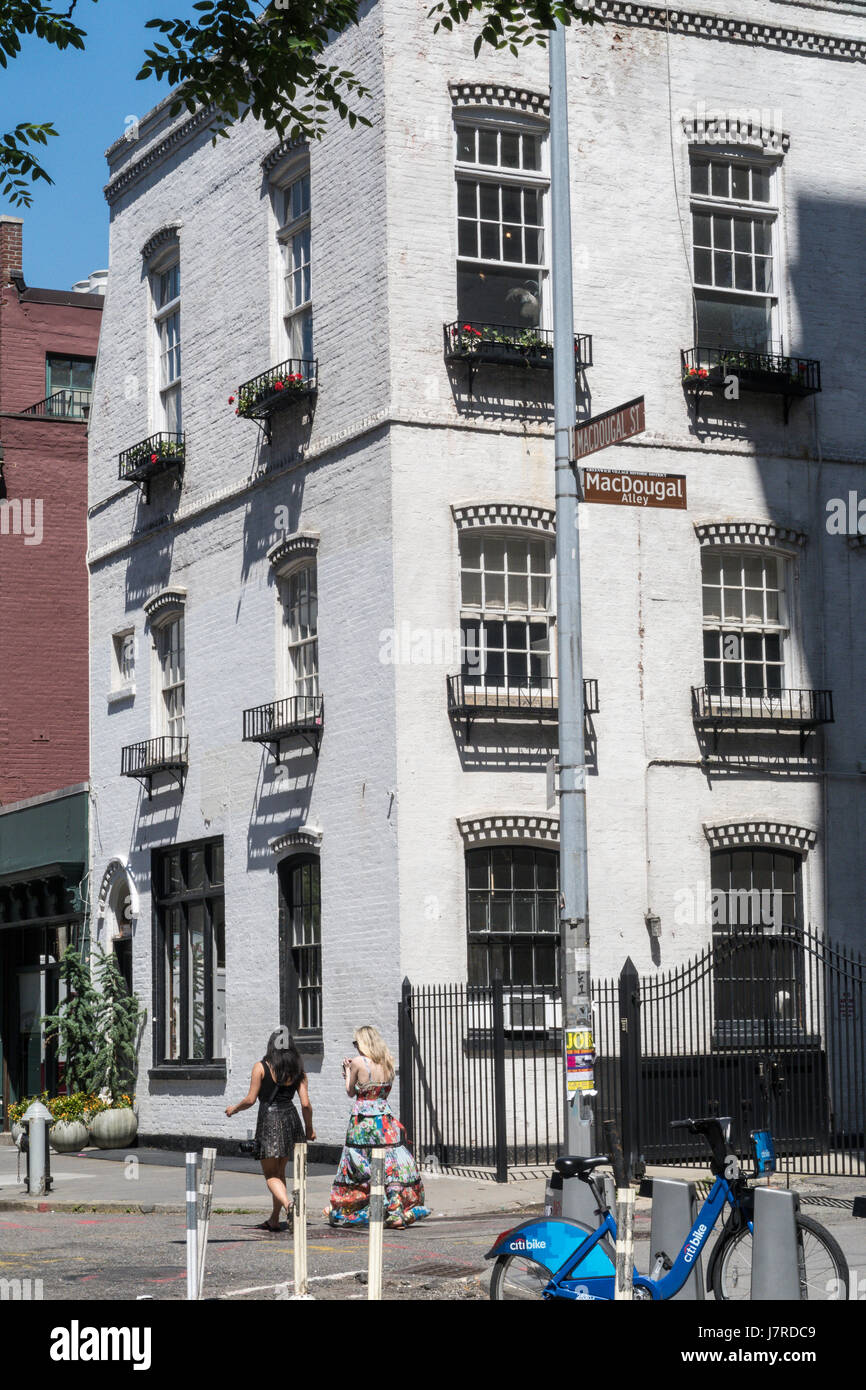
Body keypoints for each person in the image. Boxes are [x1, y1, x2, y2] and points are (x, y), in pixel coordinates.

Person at [327, 1024, 429, 1228]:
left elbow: (350, 1091)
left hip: (363, 1122)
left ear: (363, 1043)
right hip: (384, 1120)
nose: (355, 1047)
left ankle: (367, 1204)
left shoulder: (357, 1062)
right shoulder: (387, 1062)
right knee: (389, 1163)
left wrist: (347, 1071)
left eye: (356, 1043)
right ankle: (395, 1208)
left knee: (359, 1162)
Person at [226, 1028, 315, 1233]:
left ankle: (290, 1206)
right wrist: (309, 1128)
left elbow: (250, 1099)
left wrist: (234, 1109)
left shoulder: (261, 1066)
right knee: (280, 1172)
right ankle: (275, 1219)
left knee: (270, 1175)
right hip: (291, 1120)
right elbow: (306, 1104)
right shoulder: (298, 1071)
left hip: (269, 1121)